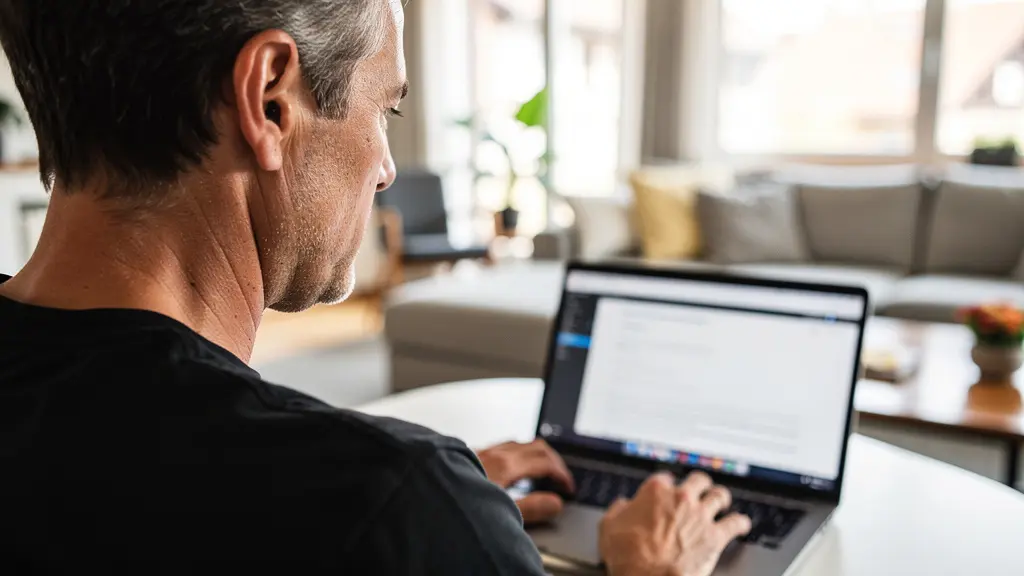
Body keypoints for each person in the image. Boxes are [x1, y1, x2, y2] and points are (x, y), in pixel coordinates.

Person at [0, 1, 750, 574]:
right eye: (384, 109)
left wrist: (435, 512)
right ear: (269, 101)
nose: (386, 166)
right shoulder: (395, 506)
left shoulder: (388, 504)